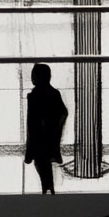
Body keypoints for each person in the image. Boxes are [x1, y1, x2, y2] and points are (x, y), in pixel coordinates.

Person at [24, 63, 68, 194]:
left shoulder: (34, 95)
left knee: (40, 163)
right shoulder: (54, 93)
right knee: (45, 163)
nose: (32, 78)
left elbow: (31, 122)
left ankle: (47, 188)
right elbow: (63, 112)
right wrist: (55, 127)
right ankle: (49, 188)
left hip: (38, 137)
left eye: (34, 75)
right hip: (50, 136)